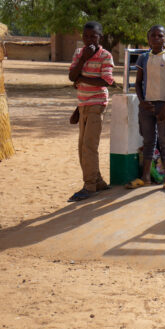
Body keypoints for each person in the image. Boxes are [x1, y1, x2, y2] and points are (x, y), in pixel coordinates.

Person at [126, 25, 165, 193]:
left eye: (160, 35)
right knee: (148, 141)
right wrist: (142, 101)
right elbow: (138, 83)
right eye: (153, 36)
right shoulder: (143, 58)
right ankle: (145, 178)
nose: (156, 38)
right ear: (148, 40)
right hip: (147, 106)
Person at [67, 21, 114, 202]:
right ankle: (98, 181)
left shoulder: (105, 56)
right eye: (85, 36)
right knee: (82, 147)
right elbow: (71, 76)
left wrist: (81, 78)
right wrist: (83, 60)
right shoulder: (79, 53)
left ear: (100, 37)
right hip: (83, 104)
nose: (89, 40)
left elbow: (106, 81)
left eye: (93, 36)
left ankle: (90, 186)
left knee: (89, 146)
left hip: (97, 104)